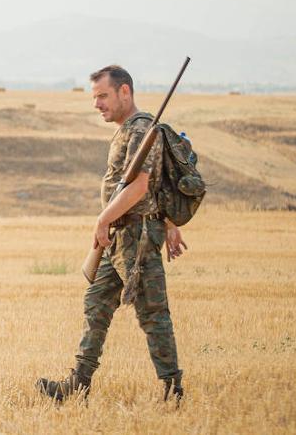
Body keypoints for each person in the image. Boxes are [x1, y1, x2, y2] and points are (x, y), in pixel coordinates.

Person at [37, 65, 187, 403]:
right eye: (94, 97)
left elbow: (141, 186)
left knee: (152, 314)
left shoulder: (141, 130)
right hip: (119, 237)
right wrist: (168, 222)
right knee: (97, 304)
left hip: (136, 236)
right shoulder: (129, 131)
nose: (97, 104)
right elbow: (154, 188)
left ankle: (172, 391)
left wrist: (102, 220)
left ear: (125, 92)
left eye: (102, 96)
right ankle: (78, 384)